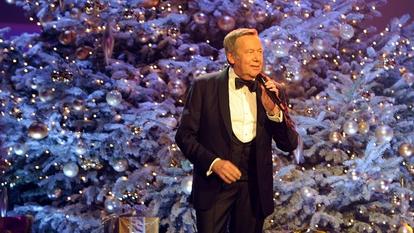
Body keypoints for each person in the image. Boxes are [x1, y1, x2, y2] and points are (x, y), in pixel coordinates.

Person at [175, 28, 298, 233]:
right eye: (250, 52)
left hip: (254, 188)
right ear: (231, 56)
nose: (257, 58)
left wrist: (273, 111)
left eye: (259, 52)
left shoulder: (273, 89)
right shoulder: (204, 86)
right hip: (214, 186)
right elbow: (184, 136)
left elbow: (289, 143)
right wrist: (214, 163)